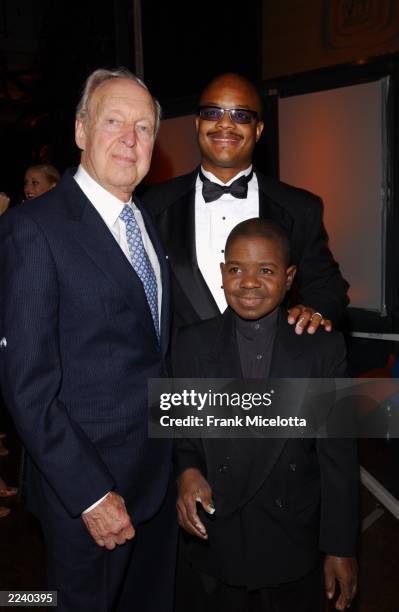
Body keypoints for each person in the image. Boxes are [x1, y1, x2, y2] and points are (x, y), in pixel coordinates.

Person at [0, 68, 176, 612]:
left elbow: (151, 350)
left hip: (157, 479)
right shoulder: (35, 228)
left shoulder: (146, 218)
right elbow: (28, 387)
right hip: (88, 494)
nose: (131, 138)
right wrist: (92, 495)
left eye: (144, 127)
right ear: (80, 131)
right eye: (114, 122)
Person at [172, 218, 358, 612]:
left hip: (292, 541)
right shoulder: (189, 345)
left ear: (290, 278)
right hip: (216, 539)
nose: (249, 282)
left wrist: (340, 548)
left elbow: (338, 456)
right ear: (222, 274)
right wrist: (187, 472)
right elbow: (183, 433)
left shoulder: (322, 349)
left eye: (267, 270)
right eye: (236, 269)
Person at [143, 73, 349, 334]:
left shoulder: (299, 208)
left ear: (258, 130)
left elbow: (328, 288)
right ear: (197, 124)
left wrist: (314, 311)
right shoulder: (152, 205)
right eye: (213, 113)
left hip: (269, 370)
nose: (225, 124)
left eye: (240, 115)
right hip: (181, 371)